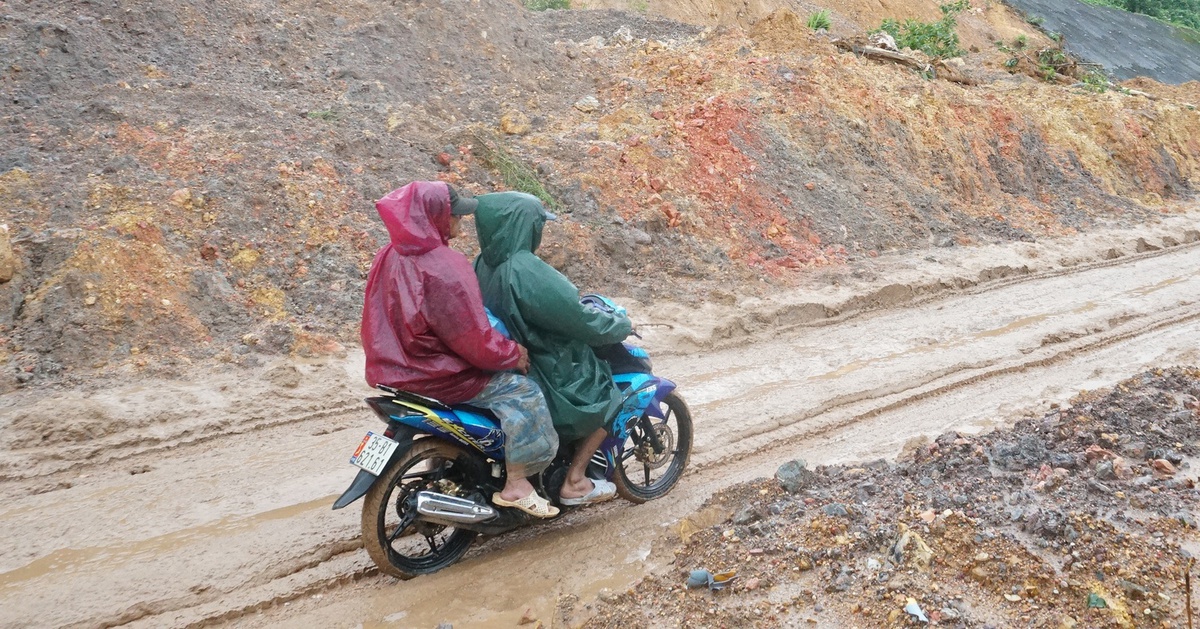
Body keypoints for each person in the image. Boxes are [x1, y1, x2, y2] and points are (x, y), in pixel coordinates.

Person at [361, 181, 560, 518]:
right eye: (455, 215)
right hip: (437, 374)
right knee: (524, 394)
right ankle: (517, 485)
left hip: (391, 368)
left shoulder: (388, 253)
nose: (460, 222)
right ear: (436, 216)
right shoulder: (445, 264)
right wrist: (513, 353)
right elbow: (474, 340)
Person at [473, 191, 630, 506]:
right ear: (526, 226)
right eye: (537, 224)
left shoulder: (482, 262)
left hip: (510, 358)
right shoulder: (525, 269)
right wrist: (619, 326)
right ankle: (575, 480)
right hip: (548, 365)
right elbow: (578, 317)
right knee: (610, 397)